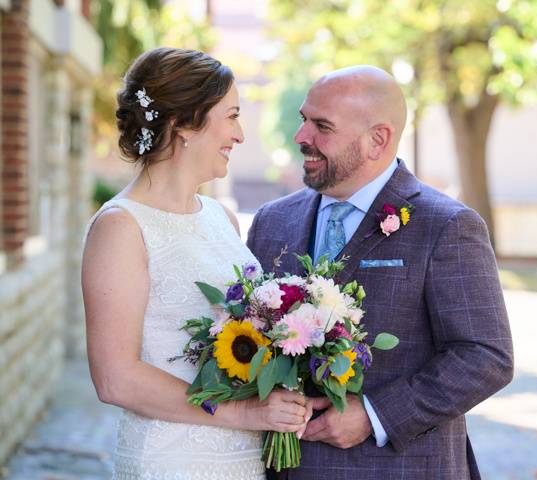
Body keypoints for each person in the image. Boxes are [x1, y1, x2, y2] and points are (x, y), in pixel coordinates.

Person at [247, 65, 514, 479]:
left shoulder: (445, 225)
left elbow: (486, 357)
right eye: (304, 120)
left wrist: (374, 415)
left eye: (322, 126)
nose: (302, 137)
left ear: (378, 140)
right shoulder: (271, 222)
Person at [82, 47, 310, 480]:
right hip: (172, 460)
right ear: (185, 124)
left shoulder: (220, 218)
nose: (240, 134)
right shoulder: (121, 227)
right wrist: (244, 413)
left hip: (243, 459)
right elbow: (116, 379)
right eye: (231, 116)